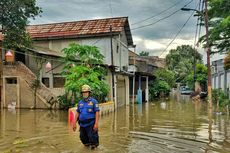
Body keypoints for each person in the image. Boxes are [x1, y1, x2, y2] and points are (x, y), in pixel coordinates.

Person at [73, 84, 100, 149]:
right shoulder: (80, 103)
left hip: (91, 124)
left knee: (93, 138)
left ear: (89, 93)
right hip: (82, 124)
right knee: (83, 138)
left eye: (86, 92)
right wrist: (74, 123)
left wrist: (96, 124)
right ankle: (86, 149)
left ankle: (94, 149)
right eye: (83, 92)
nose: (85, 93)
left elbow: (97, 112)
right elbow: (77, 112)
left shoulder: (94, 101)